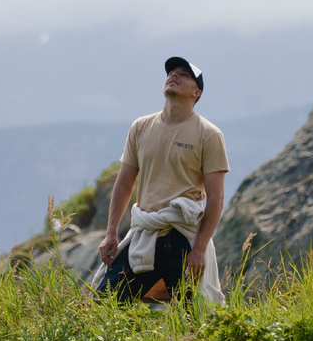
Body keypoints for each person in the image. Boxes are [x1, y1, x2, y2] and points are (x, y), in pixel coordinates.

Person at [95, 57, 229, 303]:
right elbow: (124, 182)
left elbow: (216, 198)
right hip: (144, 233)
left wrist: (199, 248)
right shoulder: (140, 127)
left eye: (184, 75)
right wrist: (111, 234)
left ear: (196, 92)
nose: (174, 76)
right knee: (105, 303)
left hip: (182, 237)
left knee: (190, 317)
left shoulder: (209, 134)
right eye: (172, 72)